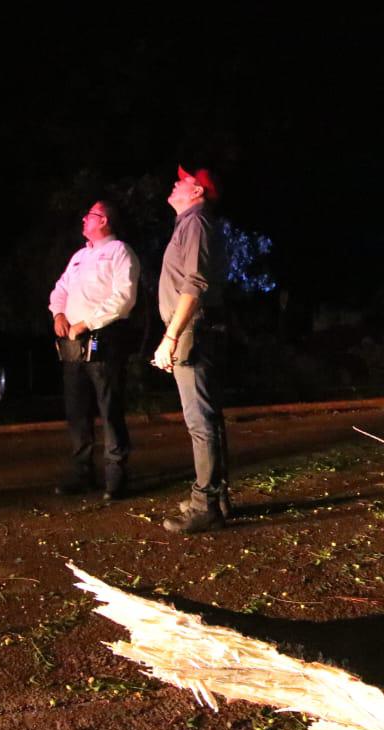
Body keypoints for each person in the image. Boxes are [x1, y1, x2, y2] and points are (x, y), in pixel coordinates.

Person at [153, 165, 231, 533]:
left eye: (182, 179)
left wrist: (171, 336)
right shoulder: (189, 223)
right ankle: (215, 498)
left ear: (197, 190)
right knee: (207, 417)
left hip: (192, 330)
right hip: (192, 329)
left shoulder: (196, 222)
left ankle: (206, 506)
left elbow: (195, 283)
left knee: (200, 420)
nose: (175, 181)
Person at [48, 199, 140, 500]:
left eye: (89, 215)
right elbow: (60, 289)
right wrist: (59, 314)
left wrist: (87, 322)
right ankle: (82, 472)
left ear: (104, 220)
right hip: (74, 344)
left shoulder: (120, 252)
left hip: (104, 339)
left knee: (109, 407)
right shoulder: (78, 257)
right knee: (77, 410)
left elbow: (123, 298)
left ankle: (116, 474)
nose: (84, 219)